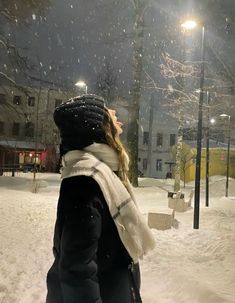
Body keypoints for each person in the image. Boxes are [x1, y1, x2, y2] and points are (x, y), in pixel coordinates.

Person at [46, 94, 155, 303]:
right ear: (99, 128)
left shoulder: (102, 174)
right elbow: (77, 270)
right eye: (108, 111)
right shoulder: (85, 182)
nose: (115, 112)